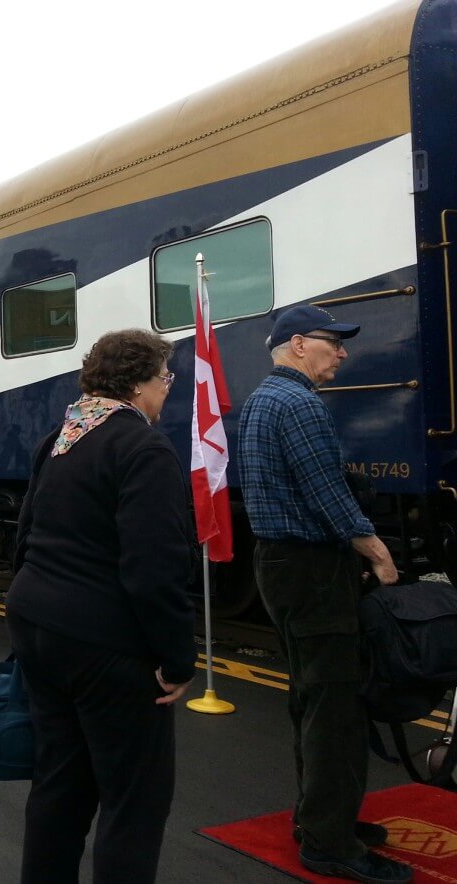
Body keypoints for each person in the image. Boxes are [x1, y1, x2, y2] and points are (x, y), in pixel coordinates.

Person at [5, 329, 197, 884]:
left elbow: (25, 535)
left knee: (59, 785)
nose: (166, 389)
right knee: (134, 801)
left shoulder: (61, 438)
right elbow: (154, 569)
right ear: (137, 385)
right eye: (164, 378)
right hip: (105, 645)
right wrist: (176, 660)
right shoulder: (143, 447)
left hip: (38, 626)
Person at [238, 304, 411, 884]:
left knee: (310, 697)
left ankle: (317, 818)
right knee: (335, 705)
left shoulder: (264, 399)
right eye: (331, 341)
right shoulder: (300, 404)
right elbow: (326, 493)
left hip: (281, 565)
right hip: (313, 570)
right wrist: (379, 553)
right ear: (296, 344)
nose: (342, 351)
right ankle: (330, 843)